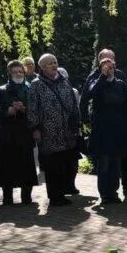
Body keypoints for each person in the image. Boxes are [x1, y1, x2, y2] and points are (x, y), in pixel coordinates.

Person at [28, 54, 82, 207]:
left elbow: (73, 103)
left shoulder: (64, 81)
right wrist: (35, 128)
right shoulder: (36, 85)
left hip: (66, 132)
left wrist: (76, 124)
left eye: (55, 62)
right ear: (42, 67)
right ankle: (54, 197)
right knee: (52, 166)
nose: (53, 65)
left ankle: (62, 193)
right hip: (48, 132)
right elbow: (32, 108)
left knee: (65, 163)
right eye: (49, 63)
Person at [85, 55, 127, 205]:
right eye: (105, 68)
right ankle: (105, 193)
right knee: (104, 163)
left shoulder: (121, 84)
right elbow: (90, 93)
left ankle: (114, 192)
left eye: (111, 67)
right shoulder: (97, 82)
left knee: (116, 163)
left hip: (117, 130)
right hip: (102, 131)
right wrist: (102, 77)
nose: (109, 70)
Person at [0, 60, 38, 206]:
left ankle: (26, 197)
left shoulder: (30, 88)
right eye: (15, 72)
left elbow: (36, 110)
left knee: (26, 164)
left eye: (21, 71)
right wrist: (8, 111)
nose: (18, 74)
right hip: (7, 133)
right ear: (9, 73)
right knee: (7, 165)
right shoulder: (2, 90)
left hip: (25, 132)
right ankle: (7, 197)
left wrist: (24, 110)